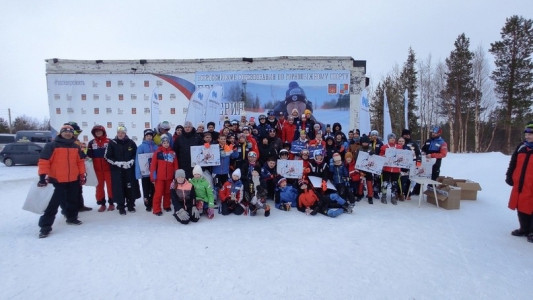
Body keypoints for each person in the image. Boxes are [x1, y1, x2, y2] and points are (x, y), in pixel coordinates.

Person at [37, 124, 86, 238]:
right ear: (61, 133)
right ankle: (45, 227)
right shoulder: (51, 146)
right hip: (57, 180)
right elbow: (44, 161)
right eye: (65, 131)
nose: (68, 133)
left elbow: (80, 162)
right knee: (52, 205)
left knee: (73, 201)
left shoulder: (75, 147)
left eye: (70, 132)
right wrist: (42, 177)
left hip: (73, 179)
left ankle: (72, 218)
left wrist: (82, 175)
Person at [506, 121, 533, 243]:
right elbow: (513, 162)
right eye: (526, 134)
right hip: (520, 184)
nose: (527, 136)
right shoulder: (521, 146)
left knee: (531, 207)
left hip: (531, 184)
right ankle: (524, 229)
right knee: (520, 206)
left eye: (531, 134)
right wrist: (509, 175)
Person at [104, 126, 141, 215]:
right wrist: (117, 163)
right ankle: (121, 206)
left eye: (122, 133)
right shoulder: (112, 143)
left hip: (129, 170)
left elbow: (136, 154)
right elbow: (107, 156)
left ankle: (131, 205)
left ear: (125, 133)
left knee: (130, 187)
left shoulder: (131, 142)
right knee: (119, 188)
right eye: (119, 132)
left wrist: (131, 161)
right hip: (117, 170)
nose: (120, 134)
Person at [65, 121, 92, 212]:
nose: (76, 135)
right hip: (67, 172)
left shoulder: (77, 142)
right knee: (68, 192)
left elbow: (80, 155)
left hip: (77, 170)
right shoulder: (64, 143)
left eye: (77, 133)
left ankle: (80, 206)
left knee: (78, 189)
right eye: (75, 133)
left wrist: (85, 156)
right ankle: (68, 211)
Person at [87, 124, 114, 212]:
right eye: (96, 131)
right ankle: (102, 204)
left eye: (100, 131)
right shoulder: (91, 143)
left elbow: (114, 154)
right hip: (97, 169)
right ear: (94, 133)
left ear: (103, 132)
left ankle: (111, 203)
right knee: (99, 187)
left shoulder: (109, 141)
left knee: (110, 187)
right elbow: (89, 155)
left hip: (108, 169)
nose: (98, 132)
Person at [150, 135, 178, 216]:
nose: (166, 144)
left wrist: (176, 176)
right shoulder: (157, 153)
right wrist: (153, 177)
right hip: (159, 178)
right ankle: (156, 209)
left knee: (168, 192)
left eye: (167, 143)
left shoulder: (172, 153)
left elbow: (175, 165)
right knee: (158, 193)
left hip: (169, 177)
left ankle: (166, 205)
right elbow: (153, 166)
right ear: (161, 143)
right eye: (164, 143)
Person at [135, 129, 157, 211]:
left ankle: (153, 202)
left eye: (150, 136)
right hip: (145, 174)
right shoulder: (141, 147)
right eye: (147, 136)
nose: (149, 137)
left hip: (153, 173)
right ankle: (147, 204)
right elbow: (137, 160)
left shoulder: (156, 147)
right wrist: (138, 173)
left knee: (154, 189)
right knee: (146, 189)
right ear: (145, 137)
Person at [379, 133, 403, 205]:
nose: (392, 139)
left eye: (393, 138)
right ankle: (383, 196)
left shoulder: (399, 147)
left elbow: (402, 156)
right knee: (385, 182)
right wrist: (384, 156)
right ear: (388, 139)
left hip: (396, 168)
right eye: (390, 138)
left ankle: (393, 196)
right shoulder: (384, 147)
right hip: (387, 168)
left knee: (394, 183)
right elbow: (380, 156)